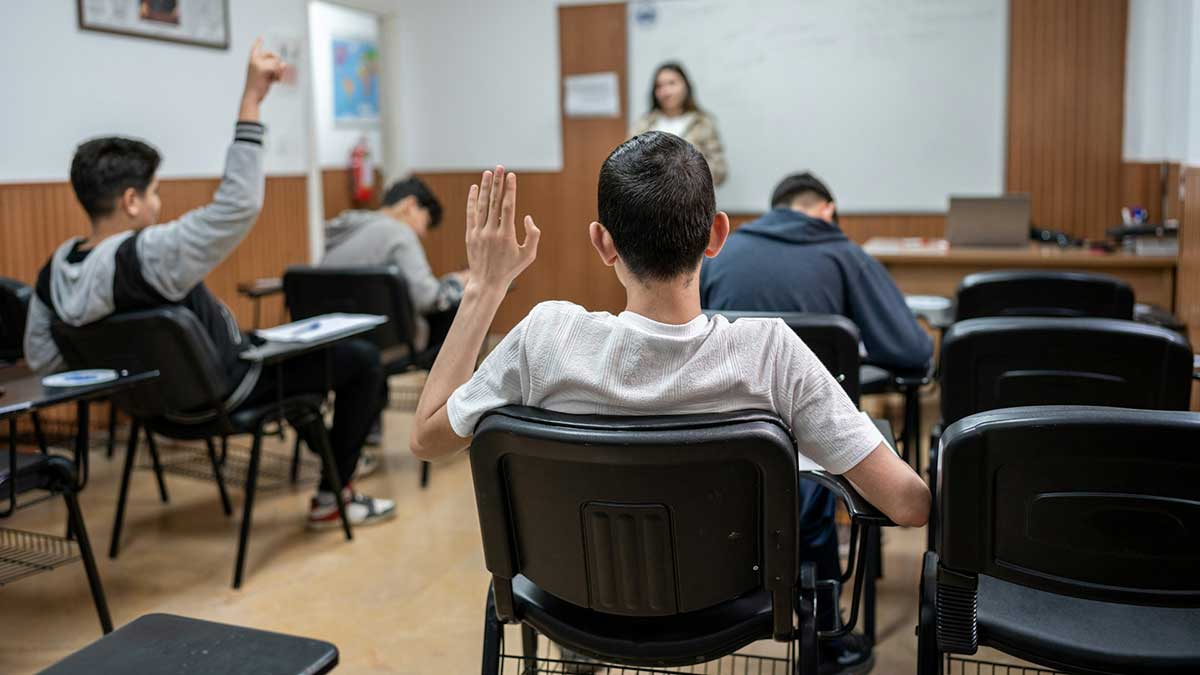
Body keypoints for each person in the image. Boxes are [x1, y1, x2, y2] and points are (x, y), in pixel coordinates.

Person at [408, 134, 930, 674]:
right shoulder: (771, 354)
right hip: (730, 608)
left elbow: (425, 438)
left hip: (572, 600)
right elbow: (909, 506)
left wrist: (484, 288)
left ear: (603, 243)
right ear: (717, 234)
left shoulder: (545, 340)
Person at [23, 40, 394, 529]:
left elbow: (44, 359)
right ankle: (333, 496)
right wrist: (251, 101)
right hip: (227, 392)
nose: (159, 205)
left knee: (299, 376)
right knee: (362, 362)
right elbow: (236, 206)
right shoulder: (144, 256)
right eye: (155, 193)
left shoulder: (52, 273)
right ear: (131, 201)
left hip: (151, 411)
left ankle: (333, 477)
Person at [700, 172, 933, 373]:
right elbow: (912, 351)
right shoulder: (848, 257)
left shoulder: (717, 254)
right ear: (828, 211)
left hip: (728, 415)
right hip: (817, 420)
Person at [322, 177, 466, 354]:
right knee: (459, 309)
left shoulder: (342, 229)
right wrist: (457, 281)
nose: (423, 234)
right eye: (425, 222)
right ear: (411, 205)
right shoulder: (399, 233)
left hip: (328, 340)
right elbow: (428, 299)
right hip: (384, 342)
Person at [629, 62, 728, 186]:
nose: (666, 91)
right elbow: (628, 163)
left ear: (686, 85)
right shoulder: (643, 124)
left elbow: (720, 170)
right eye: (659, 86)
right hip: (649, 198)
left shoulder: (702, 123)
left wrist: (687, 175)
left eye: (672, 83)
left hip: (692, 198)